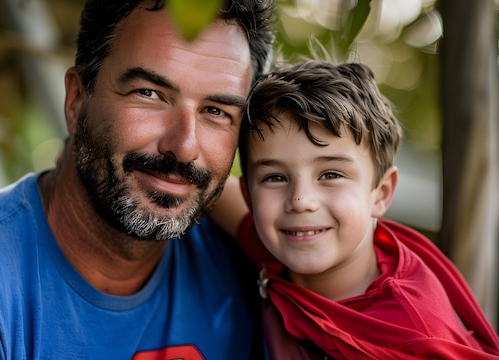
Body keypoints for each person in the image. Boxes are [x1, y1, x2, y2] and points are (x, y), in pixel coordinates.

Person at [0, 1, 275, 358]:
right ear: (76, 100)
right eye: (149, 93)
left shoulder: (251, 267)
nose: (184, 147)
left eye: (217, 112)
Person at [209, 61, 499, 359]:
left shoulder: (415, 334)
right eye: (275, 178)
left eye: (331, 175)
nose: (300, 200)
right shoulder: (283, 241)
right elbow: (208, 189)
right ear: (249, 196)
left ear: (381, 193)